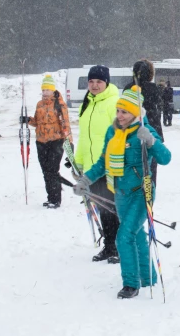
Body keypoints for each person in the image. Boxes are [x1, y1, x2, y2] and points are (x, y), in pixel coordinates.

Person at [73, 85, 171, 299]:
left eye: (124, 112)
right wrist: (86, 180)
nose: (119, 115)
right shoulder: (112, 131)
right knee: (137, 235)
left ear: (135, 113)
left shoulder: (145, 130)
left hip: (140, 193)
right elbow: (102, 162)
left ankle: (130, 283)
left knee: (124, 236)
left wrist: (152, 141)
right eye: (118, 110)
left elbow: (165, 158)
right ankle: (148, 277)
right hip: (119, 193)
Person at [74, 65, 121, 263]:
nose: (94, 85)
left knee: (115, 209)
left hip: (110, 166)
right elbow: (85, 137)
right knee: (102, 208)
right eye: (91, 81)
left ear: (106, 83)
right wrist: (78, 162)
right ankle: (109, 246)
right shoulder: (87, 104)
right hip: (93, 168)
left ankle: (120, 247)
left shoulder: (114, 103)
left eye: (99, 82)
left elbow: (121, 135)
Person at [25, 75, 72, 208]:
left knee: (52, 170)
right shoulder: (39, 104)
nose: (45, 92)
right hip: (41, 142)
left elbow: (66, 125)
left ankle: (56, 199)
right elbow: (37, 122)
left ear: (53, 90)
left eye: (48, 90)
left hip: (56, 142)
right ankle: (50, 197)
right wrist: (28, 120)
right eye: (43, 90)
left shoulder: (60, 105)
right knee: (46, 171)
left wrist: (69, 144)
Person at [124, 60, 165, 185]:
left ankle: (135, 186)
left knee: (133, 162)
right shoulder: (154, 89)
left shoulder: (128, 88)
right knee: (151, 164)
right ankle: (150, 188)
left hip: (131, 131)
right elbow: (157, 112)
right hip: (151, 130)